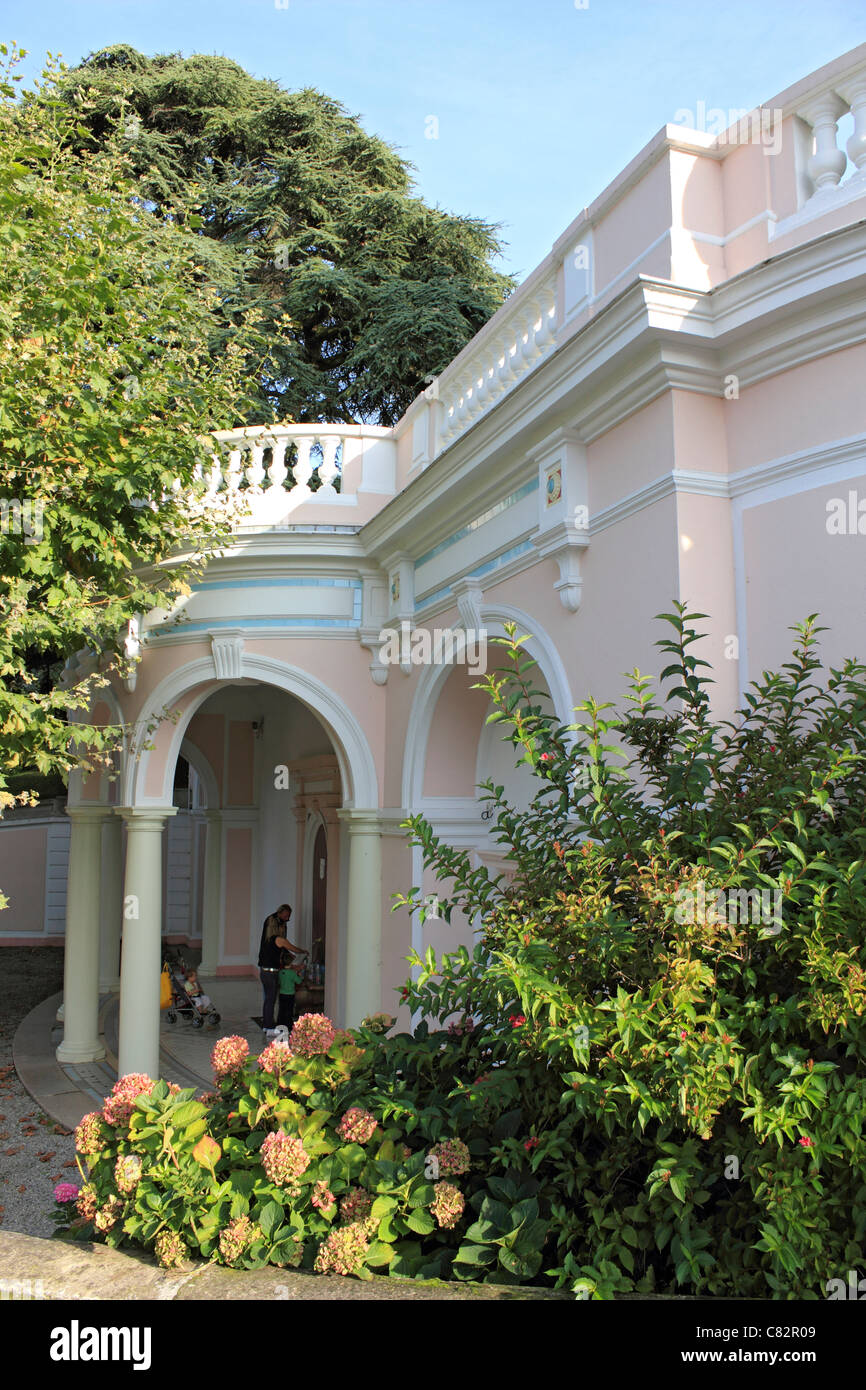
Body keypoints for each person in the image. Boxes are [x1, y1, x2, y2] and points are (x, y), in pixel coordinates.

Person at [258, 904, 304, 1033]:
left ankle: (267, 1023)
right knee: (270, 999)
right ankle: (268, 1025)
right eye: (285, 918)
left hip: (264, 970)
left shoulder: (268, 942)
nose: (286, 921)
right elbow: (291, 947)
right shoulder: (277, 939)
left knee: (268, 998)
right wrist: (303, 951)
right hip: (270, 972)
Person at [277, 953, 304, 1029]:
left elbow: (279, 982)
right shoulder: (292, 973)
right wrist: (299, 975)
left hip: (282, 994)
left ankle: (280, 1024)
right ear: (291, 963)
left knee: (281, 1010)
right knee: (289, 1010)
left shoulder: (280, 972)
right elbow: (299, 981)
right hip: (290, 995)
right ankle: (288, 1025)